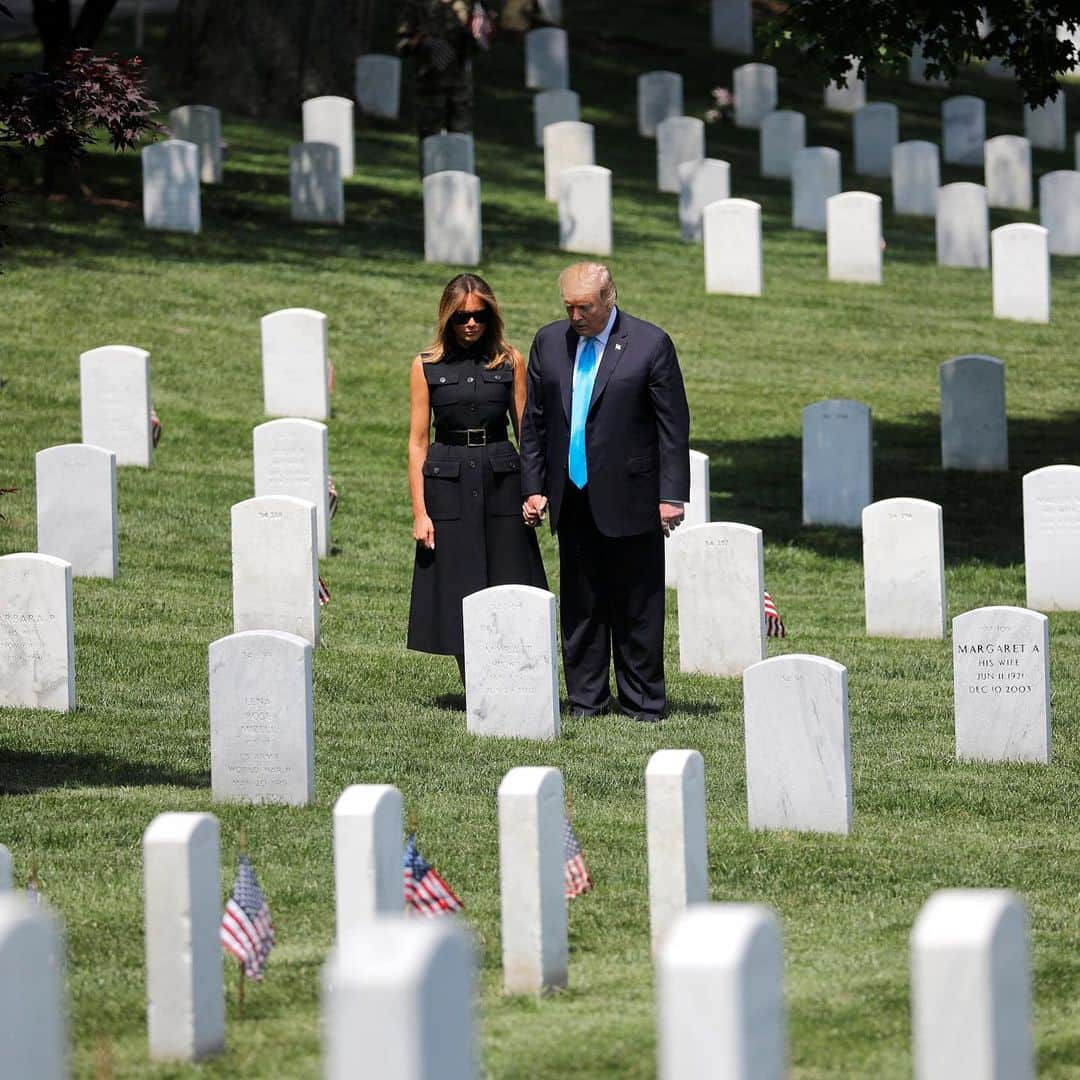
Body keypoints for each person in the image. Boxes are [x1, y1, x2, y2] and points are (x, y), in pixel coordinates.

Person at [520, 262, 690, 723]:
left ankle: (642, 703)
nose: (576, 316)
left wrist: (671, 495)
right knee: (581, 606)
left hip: (633, 497)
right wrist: (533, 486)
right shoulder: (549, 343)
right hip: (572, 496)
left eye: (585, 307)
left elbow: (672, 426)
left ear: (609, 297)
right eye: (569, 306)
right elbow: (534, 422)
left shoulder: (649, 344)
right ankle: (586, 700)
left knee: (637, 605)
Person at [407, 274, 547, 677]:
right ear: (447, 318)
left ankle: (514, 672)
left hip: (501, 480)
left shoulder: (510, 361)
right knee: (457, 582)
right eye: (461, 317)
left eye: (479, 316)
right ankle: (476, 678)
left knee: (509, 576)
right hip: (448, 485)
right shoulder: (426, 366)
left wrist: (534, 492)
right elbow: (418, 442)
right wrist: (420, 512)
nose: (470, 324)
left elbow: (527, 435)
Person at [396, 0, 479, 168]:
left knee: (460, 136)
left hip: (459, 87)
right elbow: (403, 44)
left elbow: (479, 42)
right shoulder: (417, 6)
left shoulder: (468, 5)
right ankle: (431, 182)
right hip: (429, 85)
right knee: (430, 137)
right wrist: (423, 42)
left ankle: (460, 181)